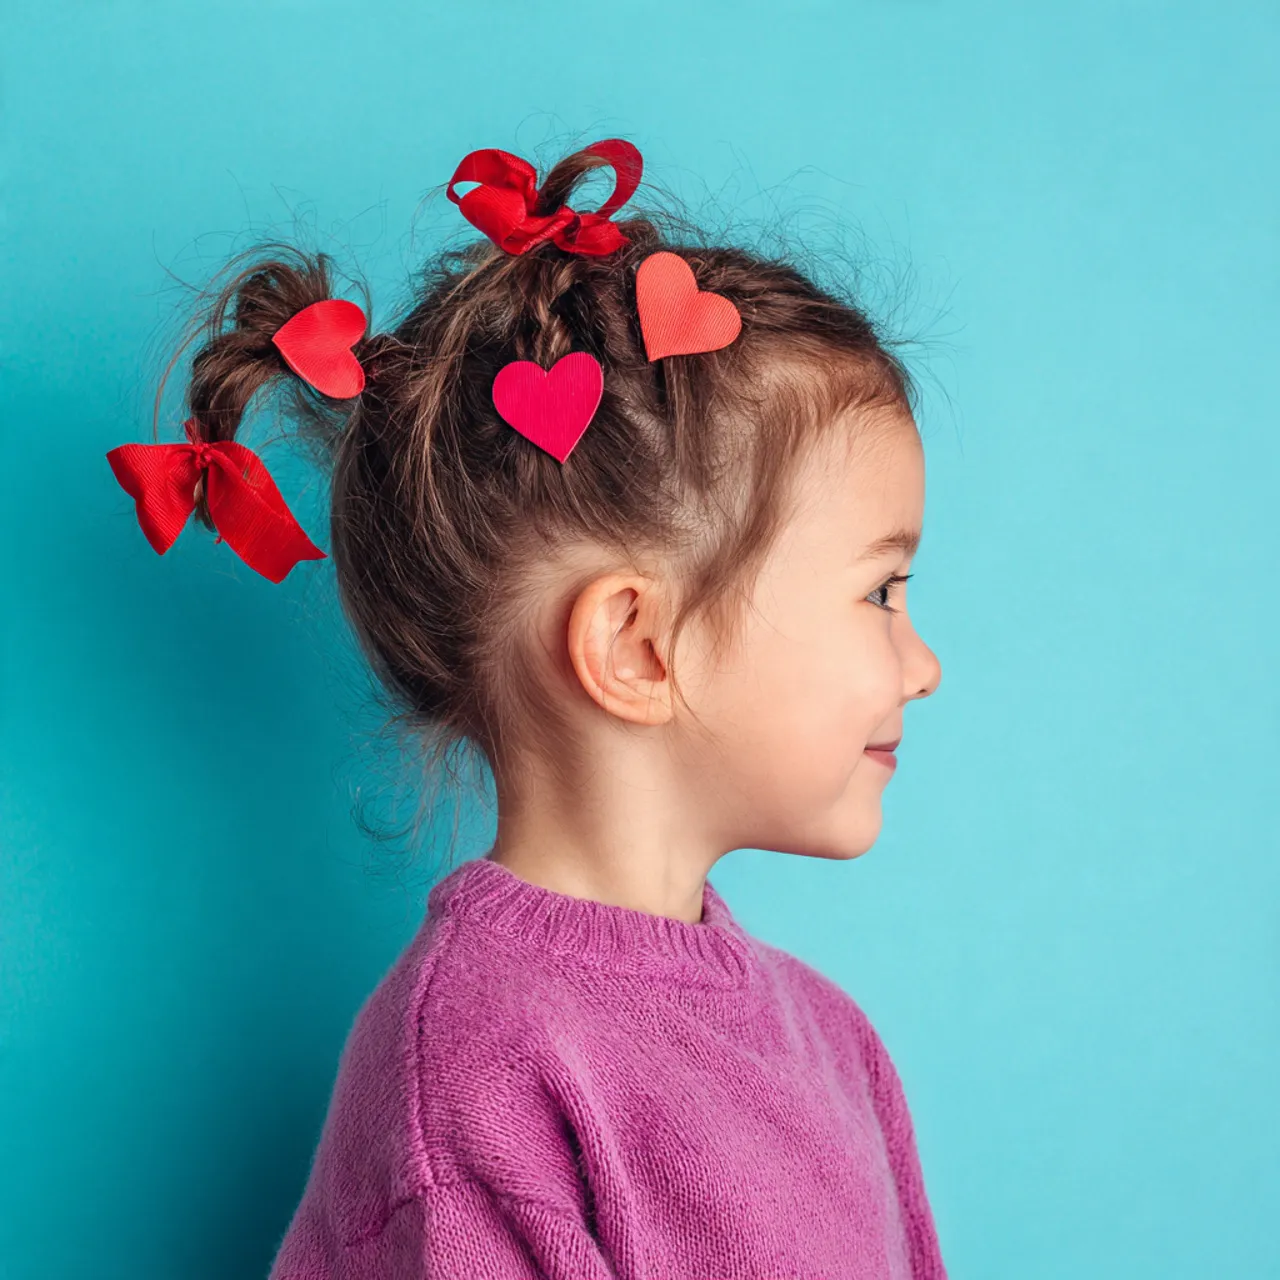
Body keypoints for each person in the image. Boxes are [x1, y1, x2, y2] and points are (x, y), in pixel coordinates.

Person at [107, 137, 946, 1278]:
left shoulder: (835, 1045)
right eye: (879, 590)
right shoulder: (466, 1070)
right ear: (636, 644)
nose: (922, 662)